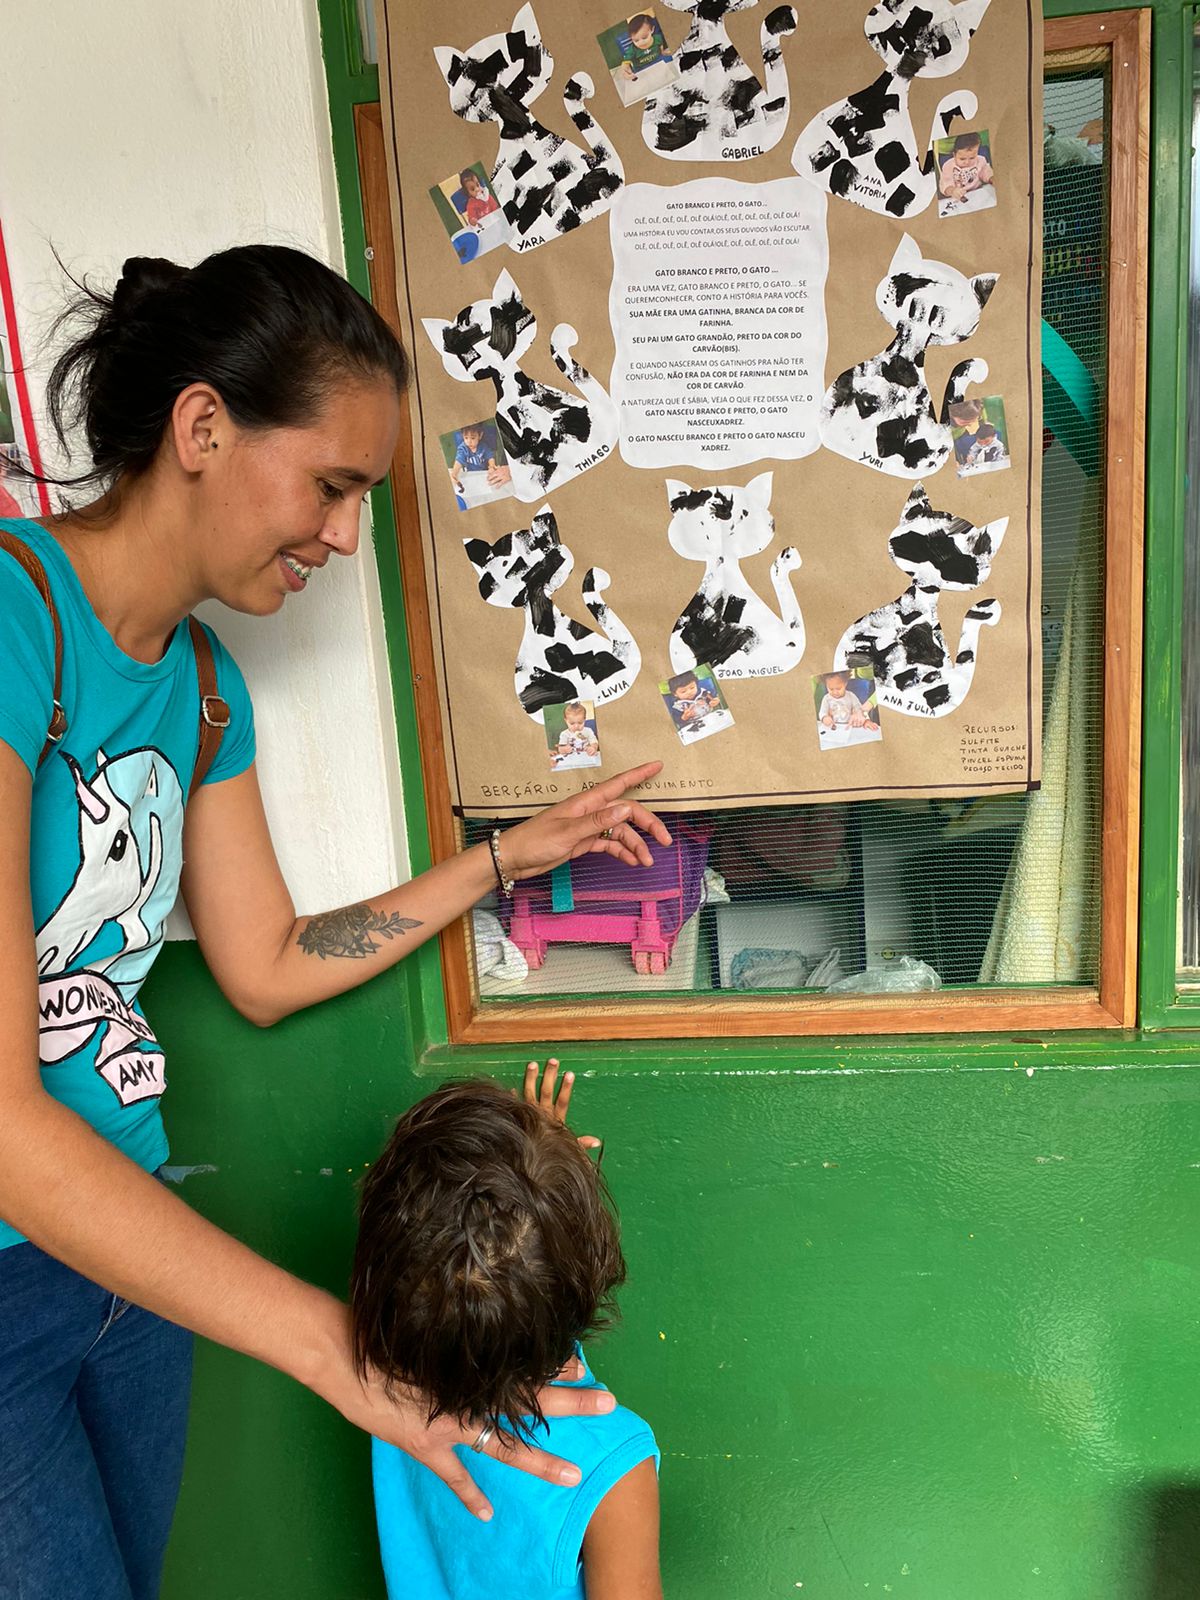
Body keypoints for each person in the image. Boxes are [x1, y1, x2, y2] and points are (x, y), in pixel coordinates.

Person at [0, 244, 671, 1600]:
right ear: (202, 427)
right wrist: (343, 1353)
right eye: (332, 485)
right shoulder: (15, 623)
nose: (344, 535)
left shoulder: (198, 685)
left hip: (133, 1258)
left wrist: (504, 859)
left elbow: (264, 965)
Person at [360, 1061, 662, 1600]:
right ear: (592, 1272)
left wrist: (542, 1179)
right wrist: (546, 1185)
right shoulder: (610, 1464)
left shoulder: (383, 1364)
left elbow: (461, 1268)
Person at [448, 421, 510, 494]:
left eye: (473, 438)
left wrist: (491, 466)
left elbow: (490, 457)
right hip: (470, 474)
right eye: (466, 438)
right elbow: (459, 460)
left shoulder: (483, 447)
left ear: (480, 436)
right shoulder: (463, 448)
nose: (469, 441)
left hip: (484, 474)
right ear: (462, 436)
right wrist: (454, 473)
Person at [938, 131, 994, 202]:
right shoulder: (948, 165)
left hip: (977, 194)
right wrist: (952, 191)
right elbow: (945, 183)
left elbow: (986, 172)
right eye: (962, 159)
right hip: (957, 198)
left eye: (972, 158)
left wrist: (991, 178)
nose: (967, 162)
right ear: (954, 155)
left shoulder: (981, 160)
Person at [619, 13, 670, 78]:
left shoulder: (658, 38)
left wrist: (664, 52)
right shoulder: (632, 50)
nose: (641, 42)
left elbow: (662, 51)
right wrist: (625, 70)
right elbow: (625, 63)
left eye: (644, 37)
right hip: (642, 72)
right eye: (636, 40)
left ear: (652, 30)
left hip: (659, 65)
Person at [553, 700, 600, 767]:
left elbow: (594, 742)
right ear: (566, 721)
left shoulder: (588, 731)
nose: (576, 726)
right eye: (572, 723)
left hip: (587, 758)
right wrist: (564, 749)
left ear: (584, 720)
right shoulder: (564, 734)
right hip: (572, 760)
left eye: (580, 723)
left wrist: (593, 748)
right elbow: (560, 749)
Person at [947, 397, 984, 467]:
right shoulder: (945, 426)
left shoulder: (975, 407)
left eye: (972, 421)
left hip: (961, 435)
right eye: (965, 421)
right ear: (953, 415)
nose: (969, 424)